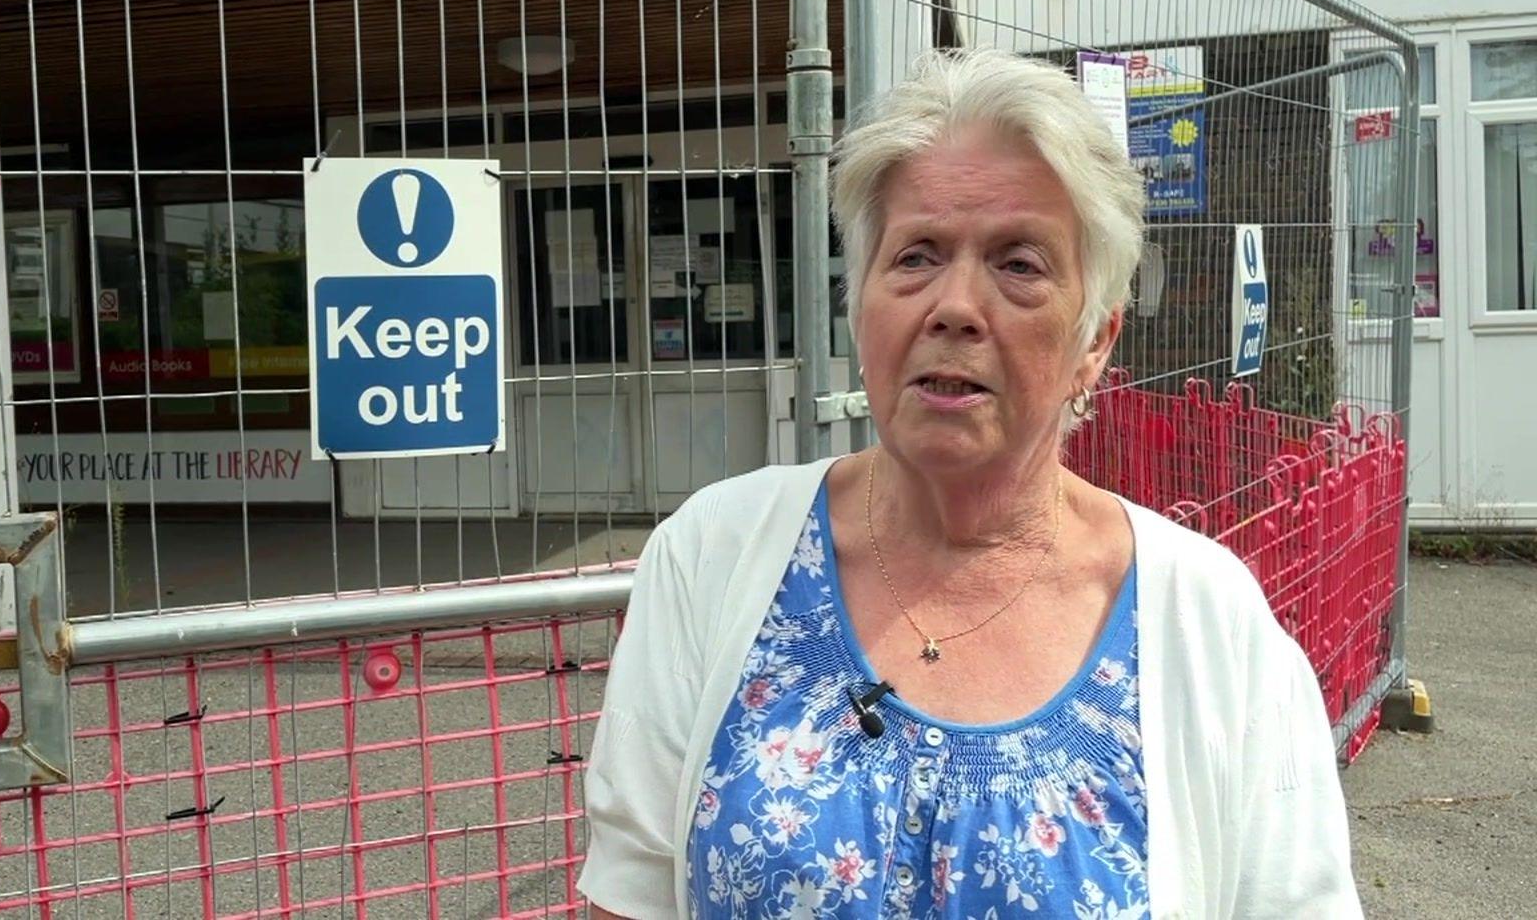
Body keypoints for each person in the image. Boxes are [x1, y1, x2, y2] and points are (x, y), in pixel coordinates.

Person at [577, 49, 1359, 918]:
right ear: (860, 304)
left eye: (1019, 264)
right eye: (915, 256)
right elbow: (632, 892)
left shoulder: (1207, 623)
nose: (954, 306)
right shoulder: (715, 554)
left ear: (1094, 341)